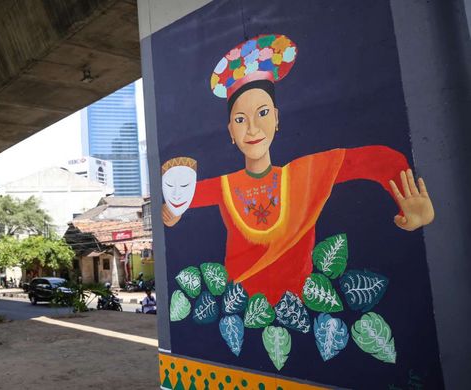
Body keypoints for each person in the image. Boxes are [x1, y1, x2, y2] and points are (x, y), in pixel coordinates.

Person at [162, 34, 435, 304]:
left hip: (298, 306)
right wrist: (171, 212)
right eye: (241, 119)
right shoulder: (224, 185)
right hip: (242, 306)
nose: (253, 128)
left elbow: (374, 160)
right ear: (231, 131)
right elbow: (181, 199)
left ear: (277, 118)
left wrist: (409, 204)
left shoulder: (305, 175)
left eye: (263, 113)